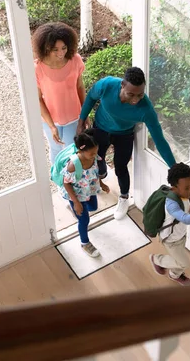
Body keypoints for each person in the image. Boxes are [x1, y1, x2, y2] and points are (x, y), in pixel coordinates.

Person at [77, 67, 176, 220]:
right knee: (96, 161)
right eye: (131, 94)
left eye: (140, 94)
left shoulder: (146, 110)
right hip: (101, 129)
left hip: (124, 135)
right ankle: (101, 174)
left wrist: (174, 169)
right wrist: (81, 121)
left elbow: (160, 140)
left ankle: (124, 198)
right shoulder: (107, 85)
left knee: (121, 166)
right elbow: (90, 97)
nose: (135, 99)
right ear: (122, 85)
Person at [33, 22, 86, 164]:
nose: (61, 53)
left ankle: (71, 183)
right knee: (55, 150)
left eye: (64, 48)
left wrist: (85, 114)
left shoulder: (75, 60)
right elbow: (38, 99)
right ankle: (60, 183)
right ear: (45, 48)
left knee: (72, 151)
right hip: (50, 119)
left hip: (74, 118)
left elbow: (80, 87)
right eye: (55, 49)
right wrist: (51, 126)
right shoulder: (37, 68)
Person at [61, 129, 110, 257]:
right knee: (84, 220)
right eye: (92, 153)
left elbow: (95, 171)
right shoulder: (73, 165)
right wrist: (76, 202)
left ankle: (77, 212)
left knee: (93, 207)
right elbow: (66, 183)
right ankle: (84, 243)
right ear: (81, 151)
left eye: (96, 152)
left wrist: (102, 184)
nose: (95, 155)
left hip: (90, 189)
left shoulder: (93, 157)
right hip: (77, 195)